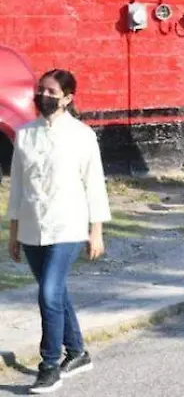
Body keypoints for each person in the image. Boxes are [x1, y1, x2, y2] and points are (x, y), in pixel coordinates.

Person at [6, 70, 110, 394]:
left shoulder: (82, 136)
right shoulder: (24, 134)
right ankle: (78, 352)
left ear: (67, 98)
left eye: (51, 91)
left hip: (68, 224)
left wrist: (96, 231)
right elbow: (18, 187)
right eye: (41, 90)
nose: (44, 96)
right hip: (33, 226)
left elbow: (94, 185)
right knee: (57, 293)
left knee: (48, 293)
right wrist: (13, 232)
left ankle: (49, 365)